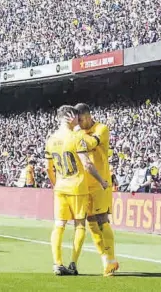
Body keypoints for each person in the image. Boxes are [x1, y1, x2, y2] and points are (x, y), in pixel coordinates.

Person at [45, 105, 108, 276]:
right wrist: (102, 181)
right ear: (71, 117)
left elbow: (48, 168)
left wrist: (55, 184)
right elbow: (87, 164)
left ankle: (57, 263)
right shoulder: (76, 137)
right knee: (79, 225)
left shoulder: (50, 139)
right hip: (77, 187)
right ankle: (73, 263)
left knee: (59, 225)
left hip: (60, 187)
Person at [75, 102, 119, 277]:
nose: (78, 124)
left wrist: (74, 137)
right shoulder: (79, 132)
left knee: (102, 219)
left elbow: (91, 144)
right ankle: (105, 261)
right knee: (91, 222)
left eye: (80, 120)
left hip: (101, 182)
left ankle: (112, 258)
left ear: (87, 116)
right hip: (85, 183)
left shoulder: (101, 129)